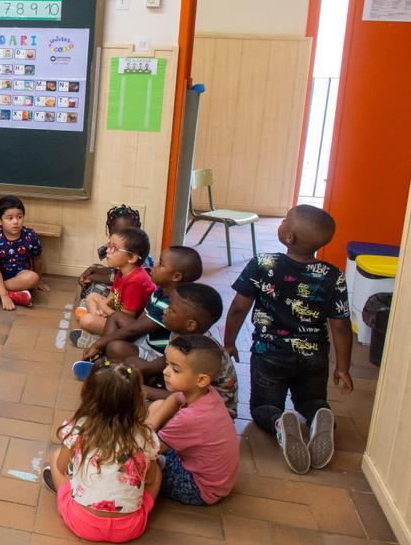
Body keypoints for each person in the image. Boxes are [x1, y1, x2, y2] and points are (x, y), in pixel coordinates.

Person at [223, 205, 352, 474]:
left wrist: (229, 341)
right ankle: (318, 416)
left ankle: (279, 422)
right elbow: (340, 326)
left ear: (289, 237)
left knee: (263, 407)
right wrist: (343, 367)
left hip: (269, 352)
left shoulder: (263, 264)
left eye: (284, 222)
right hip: (313, 355)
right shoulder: (332, 275)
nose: (281, 224)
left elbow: (238, 308)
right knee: (311, 400)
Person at [42, 360, 161, 544]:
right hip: (130, 528)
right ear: (136, 400)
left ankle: (67, 491)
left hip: (81, 522)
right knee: (157, 471)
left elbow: (61, 466)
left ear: (90, 397)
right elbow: (151, 479)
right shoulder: (146, 436)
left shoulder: (79, 428)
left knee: (56, 457)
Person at [79, 283, 238, 417]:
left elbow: (182, 397)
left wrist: (137, 389)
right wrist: (140, 370)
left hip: (212, 413)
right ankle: (111, 372)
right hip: (188, 391)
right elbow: (167, 360)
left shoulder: (199, 352)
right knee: (131, 366)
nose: (165, 310)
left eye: (171, 310)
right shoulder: (182, 334)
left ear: (190, 325)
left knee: (136, 405)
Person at [146, 335, 240, 506]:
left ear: (202, 380)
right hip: (214, 479)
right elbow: (175, 398)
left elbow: (149, 449)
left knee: (142, 465)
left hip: (199, 488)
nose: (165, 371)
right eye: (167, 364)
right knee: (158, 406)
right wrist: (151, 425)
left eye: (175, 369)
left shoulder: (190, 419)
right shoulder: (207, 393)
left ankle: (145, 503)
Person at [74, 245, 203, 355]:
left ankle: (103, 350)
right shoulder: (160, 290)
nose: (154, 266)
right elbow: (138, 323)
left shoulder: (171, 303)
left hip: (153, 351)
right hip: (143, 336)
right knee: (116, 318)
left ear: (176, 276)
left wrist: (100, 344)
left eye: (160, 264)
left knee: (116, 348)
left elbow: (134, 329)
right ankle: (104, 345)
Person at [74, 227, 154, 335]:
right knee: (92, 296)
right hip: (118, 312)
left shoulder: (136, 281)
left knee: (86, 321)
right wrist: (102, 310)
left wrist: (103, 307)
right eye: (109, 246)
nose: (107, 251)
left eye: (114, 249)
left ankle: (97, 332)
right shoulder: (122, 271)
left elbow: (126, 319)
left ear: (132, 258)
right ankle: (97, 327)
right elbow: (112, 297)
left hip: (129, 325)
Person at [78, 205, 153, 301]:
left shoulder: (137, 254)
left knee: (95, 290)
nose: (121, 236)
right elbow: (115, 270)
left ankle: (88, 306)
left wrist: (92, 276)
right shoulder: (115, 244)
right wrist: (92, 270)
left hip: (129, 287)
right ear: (109, 231)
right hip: (120, 277)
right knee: (95, 267)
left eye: (126, 232)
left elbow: (120, 276)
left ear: (137, 230)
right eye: (116, 232)